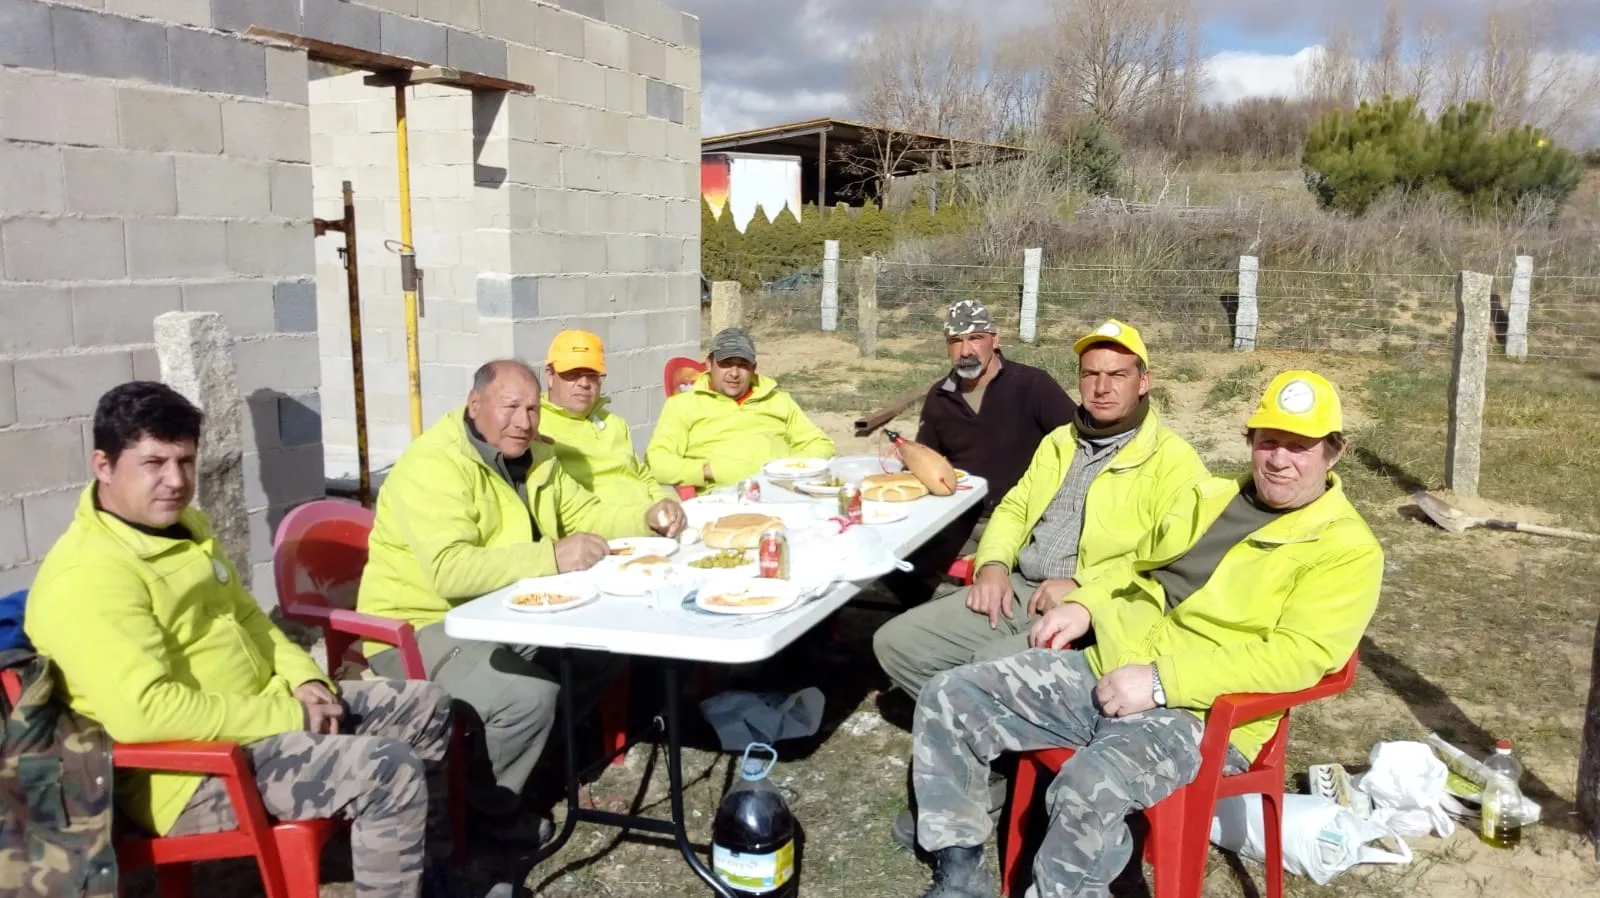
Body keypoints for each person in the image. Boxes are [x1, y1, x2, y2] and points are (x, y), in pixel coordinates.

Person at [908, 370, 1383, 898]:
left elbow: (1300, 657)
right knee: (952, 695)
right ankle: (960, 873)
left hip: (1200, 715)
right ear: (1250, 442)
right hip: (1110, 665)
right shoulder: (1209, 497)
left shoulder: (1346, 548)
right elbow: (1137, 563)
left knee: (1086, 791)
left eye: (1300, 447)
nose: (1279, 459)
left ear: (1333, 454)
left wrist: (1161, 681)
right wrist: (1085, 604)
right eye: (1269, 441)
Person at [24, 382, 507, 898]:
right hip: (187, 774)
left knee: (426, 705)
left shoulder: (181, 527)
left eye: (185, 461)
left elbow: (250, 619)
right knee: (389, 770)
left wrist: (304, 678)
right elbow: (147, 715)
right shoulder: (91, 575)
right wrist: (291, 717)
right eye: (153, 463)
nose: (175, 480)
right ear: (104, 466)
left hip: (258, 719)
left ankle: (423, 879)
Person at [874, 319, 1206, 847]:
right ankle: (991, 755)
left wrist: (1080, 583)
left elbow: (1167, 559)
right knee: (896, 645)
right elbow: (1014, 508)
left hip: (1095, 610)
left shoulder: (1175, 463)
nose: (1102, 386)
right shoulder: (1060, 442)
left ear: (1144, 381)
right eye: (1091, 373)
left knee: (984, 671)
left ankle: (977, 784)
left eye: (1117, 374)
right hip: (1019, 585)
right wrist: (993, 565)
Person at [358, 359, 685, 843]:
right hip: (419, 624)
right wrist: (552, 555)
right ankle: (488, 811)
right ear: (475, 406)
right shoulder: (433, 465)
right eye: (510, 407)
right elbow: (451, 569)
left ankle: (522, 768)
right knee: (529, 696)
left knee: (601, 652)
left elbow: (587, 511)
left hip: (506, 610)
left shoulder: (538, 456)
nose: (525, 421)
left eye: (532, 408)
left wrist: (647, 515)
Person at [882, 299, 1077, 605]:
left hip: (1024, 517)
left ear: (995, 340)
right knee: (889, 560)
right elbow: (930, 464)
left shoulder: (1032, 385)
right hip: (961, 514)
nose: (966, 351)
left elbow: (1078, 442)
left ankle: (967, 606)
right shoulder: (940, 397)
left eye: (975, 338)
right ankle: (948, 607)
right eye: (956, 341)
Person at [646, 326, 835, 492]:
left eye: (743, 365)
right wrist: (708, 470)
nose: (734, 373)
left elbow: (821, 444)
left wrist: (787, 467)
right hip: (724, 495)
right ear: (709, 365)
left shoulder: (778, 400)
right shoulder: (683, 405)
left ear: (753, 368)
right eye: (726, 364)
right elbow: (657, 461)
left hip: (784, 489)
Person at [538, 329, 675, 506]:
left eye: (593, 376)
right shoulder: (537, 427)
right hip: (601, 528)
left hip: (650, 520)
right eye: (573, 374)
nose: (584, 383)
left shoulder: (614, 423)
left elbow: (642, 475)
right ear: (550, 375)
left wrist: (668, 505)